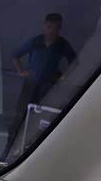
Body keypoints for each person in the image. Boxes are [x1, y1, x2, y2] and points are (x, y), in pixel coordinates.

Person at [6, 13, 77, 154]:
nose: (51, 31)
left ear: (59, 29)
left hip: (47, 87)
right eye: (49, 27)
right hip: (30, 84)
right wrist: (21, 71)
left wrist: (64, 77)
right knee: (20, 115)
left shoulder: (62, 44)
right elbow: (15, 55)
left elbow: (75, 62)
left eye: (55, 28)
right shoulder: (36, 41)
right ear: (44, 26)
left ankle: (31, 148)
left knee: (40, 117)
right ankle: (9, 146)